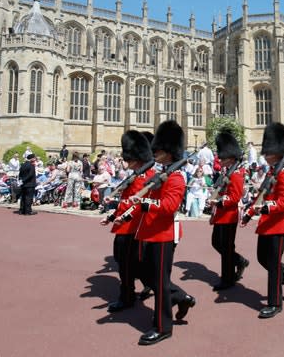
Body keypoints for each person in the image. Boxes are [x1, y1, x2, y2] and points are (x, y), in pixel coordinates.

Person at [124, 120, 196, 346]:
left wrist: (144, 202)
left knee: (161, 283)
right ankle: (181, 299)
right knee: (152, 278)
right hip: (151, 233)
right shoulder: (161, 174)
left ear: (169, 153)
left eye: (159, 150)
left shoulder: (176, 177)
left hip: (163, 235)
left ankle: (163, 327)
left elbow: (169, 207)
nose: (155, 153)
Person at [241, 122, 284, 319]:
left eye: (269, 153)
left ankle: (274, 303)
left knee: (273, 265)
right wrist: (250, 213)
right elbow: (260, 196)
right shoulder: (270, 173)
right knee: (263, 258)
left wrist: (266, 208)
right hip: (267, 224)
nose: (266, 155)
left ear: (277, 153)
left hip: (279, 224)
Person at [100, 130, 156, 313]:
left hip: (132, 226)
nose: (127, 162)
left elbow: (137, 204)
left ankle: (127, 296)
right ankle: (144, 286)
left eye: (129, 158)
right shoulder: (135, 175)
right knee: (124, 261)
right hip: (123, 225)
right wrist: (111, 216)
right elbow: (125, 200)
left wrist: (123, 217)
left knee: (126, 265)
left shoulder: (145, 177)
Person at [208, 129, 250, 291]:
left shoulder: (236, 174)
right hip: (221, 214)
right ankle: (239, 261)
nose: (220, 158)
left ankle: (228, 279)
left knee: (226, 248)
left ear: (231, 157)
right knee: (217, 243)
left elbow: (235, 196)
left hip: (229, 215)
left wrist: (217, 202)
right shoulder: (228, 171)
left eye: (223, 156)